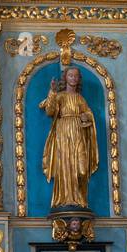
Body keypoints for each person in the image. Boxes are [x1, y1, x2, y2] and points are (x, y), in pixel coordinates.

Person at [39, 65, 98, 209]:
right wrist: (52, 91)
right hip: (63, 130)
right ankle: (66, 199)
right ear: (65, 78)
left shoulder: (80, 98)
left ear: (79, 79)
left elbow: (89, 114)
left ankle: (80, 198)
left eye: (76, 76)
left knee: (82, 170)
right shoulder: (60, 96)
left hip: (78, 131)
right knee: (65, 164)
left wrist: (86, 117)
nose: (73, 78)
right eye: (70, 75)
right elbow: (50, 111)